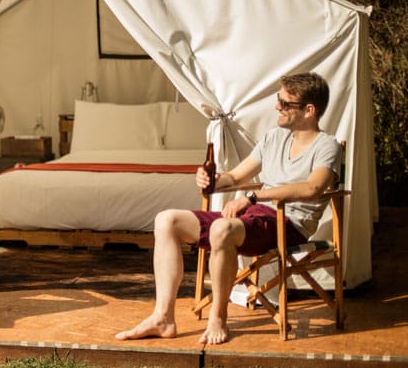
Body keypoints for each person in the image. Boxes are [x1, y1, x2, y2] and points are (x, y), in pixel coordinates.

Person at [116, 72, 342, 345]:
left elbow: (312, 188)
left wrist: (254, 197)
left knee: (222, 227)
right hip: (252, 220)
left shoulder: (326, 146)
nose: (277, 107)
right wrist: (213, 180)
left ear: (309, 110)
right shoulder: (273, 138)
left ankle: (218, 317)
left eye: (284, 103)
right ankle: (163, 317)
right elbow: (234, 178)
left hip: (288, 225)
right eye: (278, 100)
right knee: (167, 220)